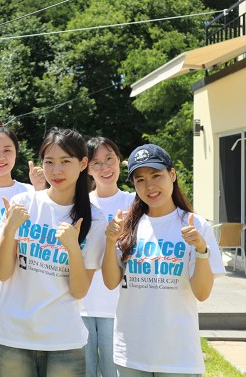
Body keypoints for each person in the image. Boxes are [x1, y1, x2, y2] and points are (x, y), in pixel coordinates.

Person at [102, 143, 225, 377]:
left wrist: (201, 249)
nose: (149, 186)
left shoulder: (195, 225)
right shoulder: (127, 225)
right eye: (140, 179)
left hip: (178, 355)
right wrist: (110, 242)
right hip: (131, 352)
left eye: (156, 175)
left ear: (172, 174)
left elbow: (202, 293)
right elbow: (110, 282)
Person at [0, 127, 107, 377]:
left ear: (83, 164)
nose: (56, 171)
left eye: (65, 161)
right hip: (14, 337)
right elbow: (2, 273)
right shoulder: (23, 204)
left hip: (64, 341)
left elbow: (79, 290)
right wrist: (9, 229)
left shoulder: (95, 219)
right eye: (49, 162)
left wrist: (73, 249)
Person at [0, 120, 45, 377]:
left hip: (22, 307)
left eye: (7, 150)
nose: (0, 157)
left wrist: (41, 192)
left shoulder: (30, 192)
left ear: (16, 153)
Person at [82, 137, 135, 377]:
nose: (105, 168)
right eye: (97, 163)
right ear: (87, 168)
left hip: (119, 307)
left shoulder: (134, 202)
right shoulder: (80, 204)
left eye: (109, 159)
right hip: (81, 306)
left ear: (119, 160)